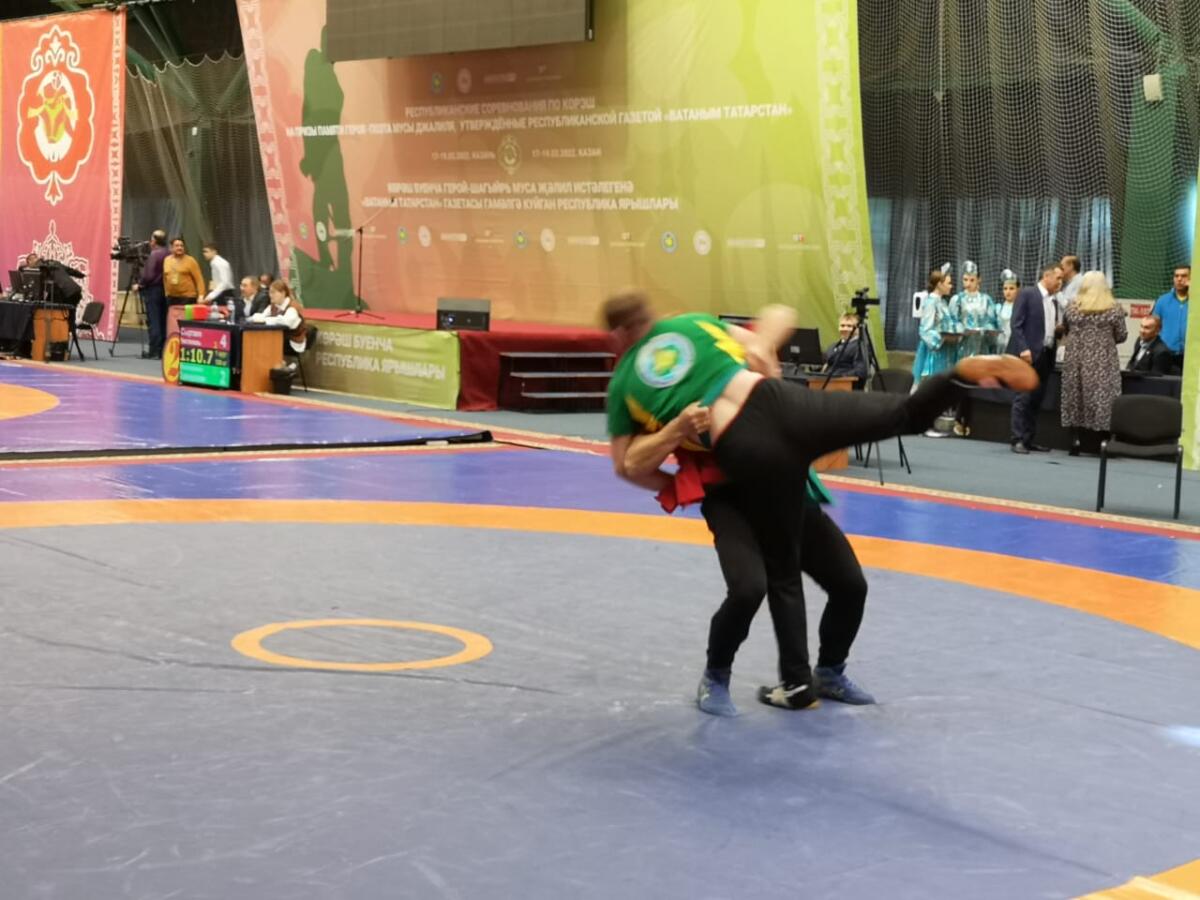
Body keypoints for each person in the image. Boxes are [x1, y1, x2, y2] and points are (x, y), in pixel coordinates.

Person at [604, 292, 1038, 708]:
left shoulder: (631, 378)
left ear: (617, 335)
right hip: (779, 410)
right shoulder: (689, 324)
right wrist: (760, 346)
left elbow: (628, 465)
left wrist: (676, 463)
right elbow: (779, 313)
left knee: (789, 575)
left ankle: (802, 682)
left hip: (746, 445)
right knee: (901, 415)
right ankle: (957, 379)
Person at [1060, 271, 1127, 456]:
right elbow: (1121, 335)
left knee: (1075, 396)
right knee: (1104, 398)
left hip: (1075, 360)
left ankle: (1075, 441)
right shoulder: (1114, 310)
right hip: (1103, 362)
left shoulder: (1072, 308)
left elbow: (1066, 329)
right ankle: (1104, 443)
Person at [1008, 264, 1063, 454]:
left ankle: (1028, 439)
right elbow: (1016, 324)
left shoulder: (1054, 301)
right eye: (1058, 278)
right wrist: (1023, 348)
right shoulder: (1027, 294)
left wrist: (1058, 331)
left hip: (1046, 355)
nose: (1060, 282)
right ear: (1047, 276)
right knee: (1023, 398)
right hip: (1027, 356)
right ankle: (1017, 439)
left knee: (1036, 399)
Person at [950, 261, 999, 436]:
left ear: (979, 280)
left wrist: (986, 330)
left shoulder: (986, 300)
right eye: (965, 279)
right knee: (963, 382)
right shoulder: (957, 299)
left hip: (981, 346)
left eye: (971, 280)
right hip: (963, 347)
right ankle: (959, 418)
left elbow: (993, 322)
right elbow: (952, 321)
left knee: (977, 385)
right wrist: (961, 329)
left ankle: (971, 420)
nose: (968, 283)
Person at [914, 266, 960, 387]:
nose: (951, 286)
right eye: (949, 283)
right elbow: (925, 330)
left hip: (946, 352)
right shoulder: (931, 303)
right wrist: (942, 337)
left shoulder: (942, 302)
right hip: (935, 354)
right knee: (934, 386)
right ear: (939, 284)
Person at [134, 230, 169, 359]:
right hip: (166, 291)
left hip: (153, 291)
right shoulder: (169, 253)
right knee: (163, 320)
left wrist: (140, 285)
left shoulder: (154, 255)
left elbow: (148, 275)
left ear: (154, 241)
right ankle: (162, 349)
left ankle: (154, 350)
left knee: (154, 321)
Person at [250, 279, 308, 358]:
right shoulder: (273, 306)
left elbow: (286, 322)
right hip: (280, 338)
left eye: (273, 292)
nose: (271, 295)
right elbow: (261, 316)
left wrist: (265, 320)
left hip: (293, 341)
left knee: (266, 343)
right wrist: (257, 318)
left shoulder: (292, 307)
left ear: (283, 293)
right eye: (270, 292)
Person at [1151, 265, 1189, 372]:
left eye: (1184, 276)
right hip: (1166, 355)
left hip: (1191, 356)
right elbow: (1153, 325)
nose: (1179, 279)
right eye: (1176, 276)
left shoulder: (1197, 300)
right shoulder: (1162, 300)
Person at [822, 313, 868, 381]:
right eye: (842, 326)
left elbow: (860, 372)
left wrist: (839, 377)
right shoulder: (832, 346)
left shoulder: (860, 347)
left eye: (849, 326)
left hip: (844, 384)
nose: (845, 329)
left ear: (858, 329)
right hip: (823, 382)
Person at [163, 238, 205, 310]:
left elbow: (199, 279)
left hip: (187, 297)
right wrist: (166, 293)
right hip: (171, 298)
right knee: (173, 316)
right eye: (177, 246)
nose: (180, 248)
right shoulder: (167, 260)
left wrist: (201, 295)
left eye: (181, 246)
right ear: (171, 248)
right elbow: (165, 277)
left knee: (185, 317)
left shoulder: (190, 260)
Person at [201, 243, 236, 308]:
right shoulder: (214, 263)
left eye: (206, 251)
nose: (204, 254)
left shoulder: (219, 263)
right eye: (203, 252)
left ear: (214, 252)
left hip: (224, 294)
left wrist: (210, 296)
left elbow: (224, 282)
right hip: (220, 293)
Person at [996, 269, 1019, 352]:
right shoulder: (998, 308)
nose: (1008, 292)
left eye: (1011, 288)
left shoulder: (1020, 308)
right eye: (1005, 289)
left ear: (1018, 289)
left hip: (1015, 347)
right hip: (1000, 346)